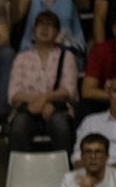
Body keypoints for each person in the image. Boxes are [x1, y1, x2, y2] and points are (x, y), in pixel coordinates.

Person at [8, 11, 78, 151]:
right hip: (27, 109)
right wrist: (37, 103)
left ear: (57, 33)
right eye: (40, 24)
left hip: (57, 109)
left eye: (50, 25)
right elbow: (14, 94)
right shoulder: (21, 58)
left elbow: (68, 90)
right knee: (19, 126)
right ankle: (20, 165)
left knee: (60, 125)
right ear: (34, 30)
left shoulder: (67, 56)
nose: (44, 28)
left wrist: (45, 99)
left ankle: (65, 164)